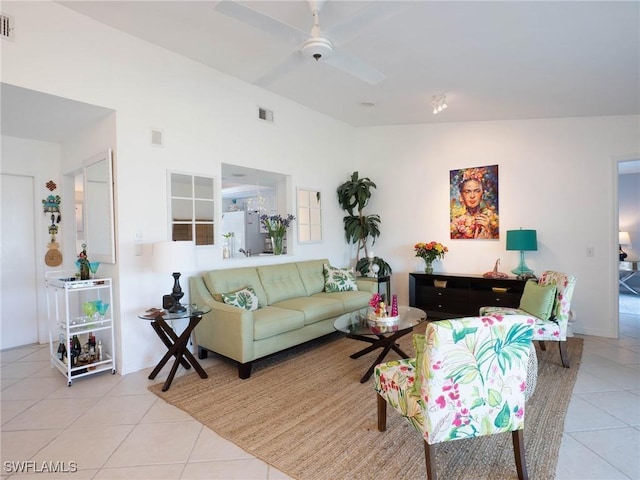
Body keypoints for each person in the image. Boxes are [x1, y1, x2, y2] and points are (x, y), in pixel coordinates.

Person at [450, 168, 499, 239]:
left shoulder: (492, 219)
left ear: (482, 195)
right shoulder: (455, 223)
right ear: (461, 196)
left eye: (477, 191)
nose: (472, 196)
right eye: (467, 191)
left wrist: (488, 231)